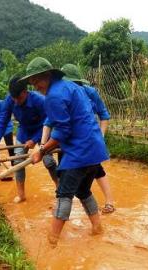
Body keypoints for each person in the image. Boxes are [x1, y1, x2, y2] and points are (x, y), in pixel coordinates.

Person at [22, 57, 109, 245]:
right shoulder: (71, 87)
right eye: (31, 83)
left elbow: (62, 130)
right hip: (95, 149)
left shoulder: (54, 96)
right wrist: (44, 147)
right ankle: (98, 228)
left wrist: (42, 150)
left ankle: (51, 242)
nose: (35, 86)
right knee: (83, 190)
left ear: (47, 76)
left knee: (63, 194)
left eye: (36, 81)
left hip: (81, 152)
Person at [41, 63, 115, 214]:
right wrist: (43, 146)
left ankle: (109, 201)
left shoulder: (89, 92)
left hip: (86, 141)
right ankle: (63, 200)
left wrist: (100, 136)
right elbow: (49, 122)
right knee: (64, 171)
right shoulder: (60, 94)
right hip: (67, 141)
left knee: (97, 170)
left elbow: (104, 115)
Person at [0, 76, 59, 203]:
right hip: (23, 131)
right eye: (13, 98)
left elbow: (49, 123)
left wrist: (35, 140)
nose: (16, 101)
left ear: (25, 92)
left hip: (42, 131)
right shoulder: (10, 100)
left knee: (49, 161)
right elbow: (3, 120)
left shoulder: (40, 101)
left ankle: (59, 189)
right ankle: (21, 195)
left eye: (19, 98)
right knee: (18, 161)